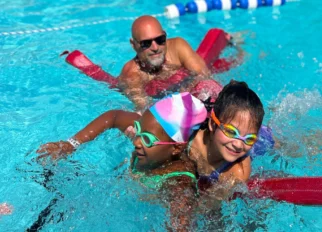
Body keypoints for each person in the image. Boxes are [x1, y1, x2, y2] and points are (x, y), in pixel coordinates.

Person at [37, 81, 265, 200]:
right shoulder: (183, 129)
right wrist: (71, 144)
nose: (239, 143)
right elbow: (115, 117)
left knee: (269, 141)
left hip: (262, 141)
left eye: (248, 138)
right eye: (232, 132)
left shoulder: (237, 170)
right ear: (214, 125)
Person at [38, 92, 208, 231]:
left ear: (176, 148)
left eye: (147, 139)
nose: (136, 142)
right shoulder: (154, 130)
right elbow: (114, 116)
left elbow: (182, 221)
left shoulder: (178, 181)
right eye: (138, 130)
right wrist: (71, 144)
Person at [118, 15, 210, 109]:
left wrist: (186, 91)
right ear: (133, 45)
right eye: (146, 43)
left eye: (160, 39)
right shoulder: (132, 75)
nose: (155, 48)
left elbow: (204, 75)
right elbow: (145, 109)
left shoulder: (178, 47)